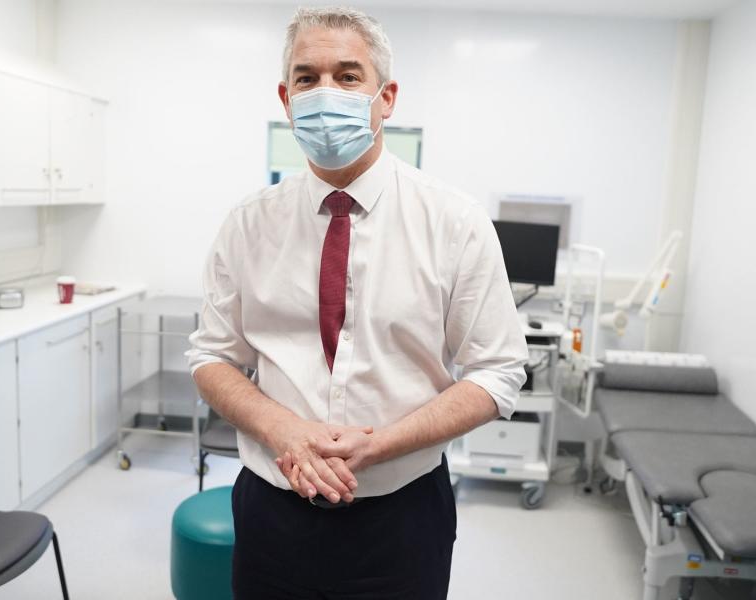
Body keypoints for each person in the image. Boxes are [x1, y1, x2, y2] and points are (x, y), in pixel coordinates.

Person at [187, 6, 528, 599]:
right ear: (285, 98)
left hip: (400, 515)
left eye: (348, 77)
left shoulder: (455, 222)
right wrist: (283, 429)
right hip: (273, 508)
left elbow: (499, 371)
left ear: (386, 96)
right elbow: (211, 357)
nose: (325, 93)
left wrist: (381, 443)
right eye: (306, 78)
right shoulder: (248, 224)